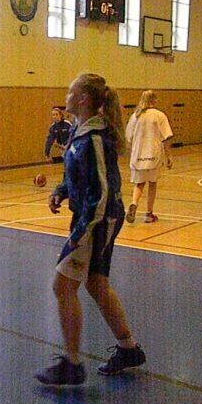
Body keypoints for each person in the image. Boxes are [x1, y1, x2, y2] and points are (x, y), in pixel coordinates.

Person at [35, 73, 146, 386]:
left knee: (62, 286)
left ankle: (72, 364)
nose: (66, 96)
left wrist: (81, 233)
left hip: (97, 220)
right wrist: (61, 190)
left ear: (83, 98)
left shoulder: (94, 138)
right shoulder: (79, 130)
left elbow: (103, 191)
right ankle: (128, 349)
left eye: (71, 92)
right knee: (96, 285)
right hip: (93, 217)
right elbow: (78, 174)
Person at [124, 90, 173, 224]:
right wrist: (169, 155)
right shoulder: (159, 115)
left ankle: (134, 203)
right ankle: (149, 214)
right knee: (152, 183)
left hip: (138, 155)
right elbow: (166, 137)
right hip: (153, 155)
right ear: (154, 100)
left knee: (139, 183)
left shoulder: (135, 116)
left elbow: (128, 137)